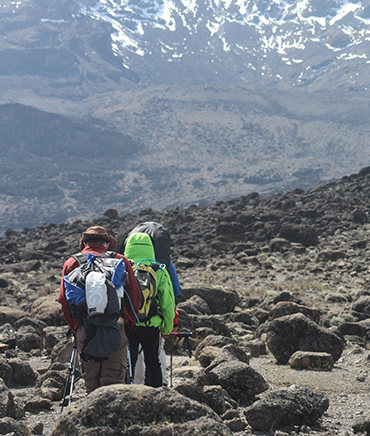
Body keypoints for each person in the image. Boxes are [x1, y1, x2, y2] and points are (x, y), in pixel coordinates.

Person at [58, 226, 141, 394]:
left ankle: (92, 416)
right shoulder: (120, 261)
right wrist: (126, 323)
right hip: (115, 327)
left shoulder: (72, 263)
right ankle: (112, 418)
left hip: (85, 329)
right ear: (107, 243)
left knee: (91, 382)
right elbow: (135, 298)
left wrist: (76, 326)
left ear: (84, 243)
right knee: (114, 384)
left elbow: (63, 301)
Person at [124, 232, 175, 387]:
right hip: (152, 325)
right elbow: (168, 303)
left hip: (129, 325)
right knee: (153, 362)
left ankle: (125, 396)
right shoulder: (159, 269)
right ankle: (156, 397)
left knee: (128, 364)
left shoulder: (123, 267)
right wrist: (167, 328)